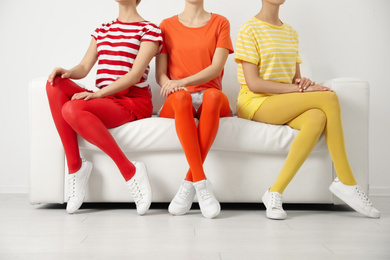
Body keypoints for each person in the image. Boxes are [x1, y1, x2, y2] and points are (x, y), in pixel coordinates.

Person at [235, 0, 380, 220]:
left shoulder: (291, 33)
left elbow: (294, 79)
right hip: (254, 102)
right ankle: (346, 181)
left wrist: (304, 84)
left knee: (317, 117)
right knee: (329, 98)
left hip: (282, 101)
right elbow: (253, 84)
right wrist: (301, 90)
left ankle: (274, 192)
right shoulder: (249, 29)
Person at [46, 0, 162, 215]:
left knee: (72, 109)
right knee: (54, 84)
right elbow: (83, 67)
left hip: (132, 99)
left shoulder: (150, 30)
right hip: (105, 99)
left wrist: (97, 93)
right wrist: (68, 72)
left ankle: (129, 170)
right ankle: (75, 167)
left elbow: (135, 75)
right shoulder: (103, 29)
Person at [155, 0, 234, 218]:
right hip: (178, 99)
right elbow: (160, 75)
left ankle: (189, 183)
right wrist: (170, 85)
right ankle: (201, 183)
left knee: (214, 95)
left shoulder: (220, 23)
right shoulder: (166, 26)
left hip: (211, 97)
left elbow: (216, 68)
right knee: (181, 98)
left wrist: (182, 81)